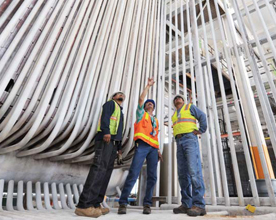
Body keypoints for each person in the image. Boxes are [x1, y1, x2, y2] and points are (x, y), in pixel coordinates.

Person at [75, 91, 126, 218]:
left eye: (123, 95)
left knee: (106, 172)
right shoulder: (110, 104)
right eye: (119, 94)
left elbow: (119, 130)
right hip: (106, 139)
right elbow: (105, 118)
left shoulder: (120, 111)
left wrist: (119, 148)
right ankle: (84, 205)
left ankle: (96, 204)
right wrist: (106, 131)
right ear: (114, 97)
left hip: (113, 143)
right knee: (99, 169)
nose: (122, 95)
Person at [118, 78, 163, 215]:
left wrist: (158, 150)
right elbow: (141, 99)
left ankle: (147, 204)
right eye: (148, 103)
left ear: (153, 108)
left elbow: (155, 136)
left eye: (151, 104)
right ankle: (123, 203)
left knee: (152, 176)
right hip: (142, 147)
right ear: (145, 107)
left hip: (153, 149)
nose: (149, 104)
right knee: (133, 173)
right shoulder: (140, 114)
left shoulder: (155, 120)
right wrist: (148, 86)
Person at [172, 94, 207, 217]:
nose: (177, 99)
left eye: (179, 98)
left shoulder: (189, 107)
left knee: (193, 171)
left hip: (189, 139)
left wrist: (201, 130)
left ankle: (199, 205)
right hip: (179, 141)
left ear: (183, 100)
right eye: (175, 98)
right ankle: (186, 203)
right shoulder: (174, 114)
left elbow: (202, 116)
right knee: (182, 174)